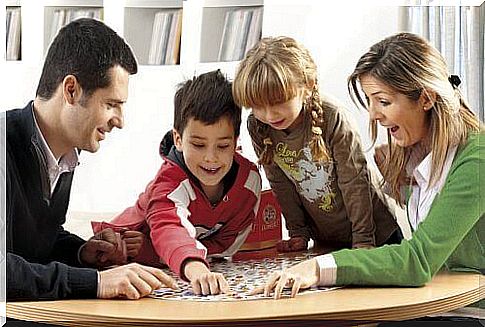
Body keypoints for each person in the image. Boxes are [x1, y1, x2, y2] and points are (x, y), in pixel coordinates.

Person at [253, 32, 484, 299]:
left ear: (426, 99)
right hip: (437, 302)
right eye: (370, 101)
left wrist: (318, 267)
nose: (373, 114)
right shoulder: (416, 157)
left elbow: (418, 260)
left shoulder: (477, 159)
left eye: (383, 101)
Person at [4, 18, 177, 301]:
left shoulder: (66, 155)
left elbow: (32, 245)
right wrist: (96, 282)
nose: (119, 121)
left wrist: (81, 252)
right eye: (111, 104)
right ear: (71, 90)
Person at [92, 70, 262, 296]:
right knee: (101, 252)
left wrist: (157, 252)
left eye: (222, 146)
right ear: (178, 139)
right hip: (126, 242)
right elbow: (167, 227)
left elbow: (228, 243)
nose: (211, 158)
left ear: (236, 143)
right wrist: (196, 268)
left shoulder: (249, 184)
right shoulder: (169, 182)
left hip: (173, 255)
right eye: (199, 145)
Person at [232, 36, 402, 254]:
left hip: (376, 235)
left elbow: (354, 182)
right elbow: (280, 183)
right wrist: (298, 233)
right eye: (257, 107)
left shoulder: (332, 118)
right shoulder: (259, 126)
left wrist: (363, 240)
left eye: (278, 103)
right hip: (327, 239)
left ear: (307, 86)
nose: (269, 114)